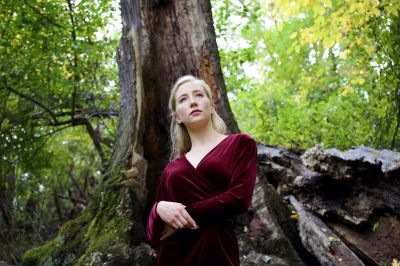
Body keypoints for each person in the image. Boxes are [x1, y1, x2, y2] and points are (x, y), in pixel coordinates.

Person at [146, 75, 257, 265]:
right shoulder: (172, 169)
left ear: (211, 106)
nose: (192, 102)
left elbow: (240, 198)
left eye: (198, 95)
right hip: (173, 256)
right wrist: (158, 209)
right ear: (177, 117)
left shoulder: (240, 143)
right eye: (183, 99)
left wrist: (183, 214)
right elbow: (155, 235)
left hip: (218, 251)